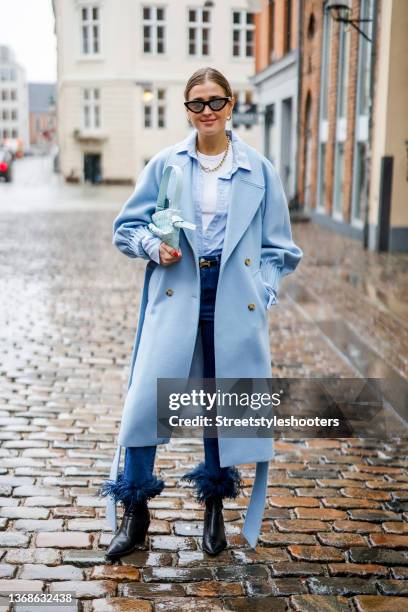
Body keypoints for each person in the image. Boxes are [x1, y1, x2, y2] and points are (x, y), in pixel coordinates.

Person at [99, 66, 303, 560]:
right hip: (176, 291)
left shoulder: (259, 169)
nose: (207, 111)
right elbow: (126, 227)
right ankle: (135, 511)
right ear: (187, 110)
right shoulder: (167, 164)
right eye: (197, 103)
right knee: (147, 400)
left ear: (231, 105)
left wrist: (262, 292)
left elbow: (280, 248)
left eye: (216, 101)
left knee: (222, 401)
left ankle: (214, 509)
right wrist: (153, 246)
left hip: (232, 297)